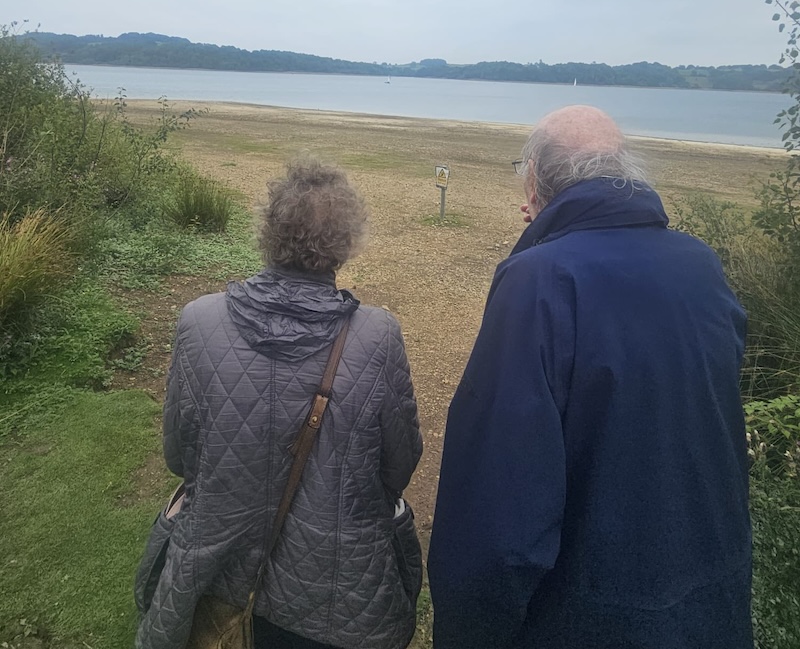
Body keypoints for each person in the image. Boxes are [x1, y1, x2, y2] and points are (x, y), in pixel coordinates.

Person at [427, 105, 752, 649]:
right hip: (712, 606)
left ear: (532, 179)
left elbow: (498, 507)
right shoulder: (701, 265)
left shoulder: (538, 280)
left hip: (589, 620)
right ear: (626, 173)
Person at [136, 159, 423, 649]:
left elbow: (180, 457)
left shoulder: (198, 321)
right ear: (346, 241)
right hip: (337, 583)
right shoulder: (377, 334)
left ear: (268, 230)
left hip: (218, 570)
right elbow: (399, 463)